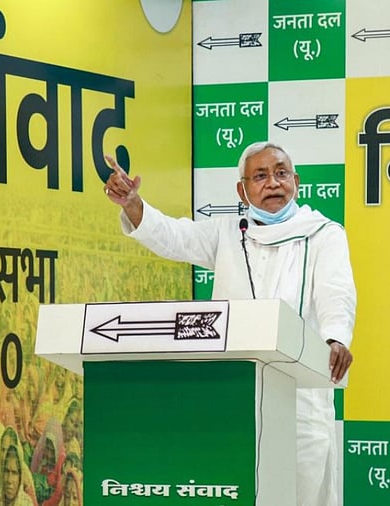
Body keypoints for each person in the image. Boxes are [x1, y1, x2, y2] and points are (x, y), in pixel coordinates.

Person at [103, 141, 356, 506]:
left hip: (300, 404)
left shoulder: (323, 233)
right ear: (242, 190)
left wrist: (336, 338)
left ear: (296, 182)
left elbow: (337, 292)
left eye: (281, 173)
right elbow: (174, 236)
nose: (273, 183)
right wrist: (132, 204)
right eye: (260, 176)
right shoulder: (227, 233)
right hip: (235, 400)